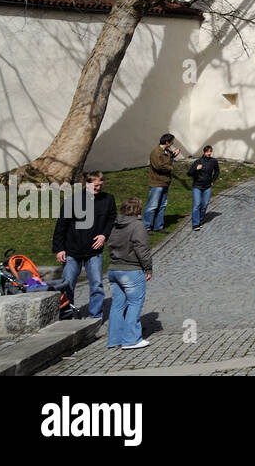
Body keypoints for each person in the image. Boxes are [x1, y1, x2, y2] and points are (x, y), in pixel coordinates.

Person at [53, 171, 116, 319]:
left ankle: (96, 315)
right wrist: (59, 249)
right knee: (68, 285)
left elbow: (112, 219)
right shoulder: (73, 201)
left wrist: (104, 235)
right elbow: (61, 226)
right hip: (72, 250)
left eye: (100, 185)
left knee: (97, 285)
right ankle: (67, 315)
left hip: (94, 250)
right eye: (95, 186)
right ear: (87, 184)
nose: (98, 189)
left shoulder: (108, 199)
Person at [106, 197, 152, 350]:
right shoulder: (137, 225)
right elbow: (142, 249)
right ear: (138, 209)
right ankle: (131, 339)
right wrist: (148, 268)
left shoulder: (115, 225)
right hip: (131, 270)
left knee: (117, 306)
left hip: (114, 269)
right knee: (134, 303)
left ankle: (114, 339)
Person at [143, 133, 178, 231]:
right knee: (152, 206)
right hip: (157, 183)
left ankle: (158, 226)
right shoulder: (156, 153)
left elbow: (167, 161)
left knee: (162, 205)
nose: (172, 144)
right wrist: (172, 168)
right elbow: (159, 166)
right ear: (167, 142)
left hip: (165, 182)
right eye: (171, 142)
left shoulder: (166, 151)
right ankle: (146, 227)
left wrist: (173, 155)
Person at [188, 144, 220, 231]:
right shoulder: (198, 162)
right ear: (204, 152)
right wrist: (196, 169)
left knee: (204, 205)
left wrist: (213, 180)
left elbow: (217, 171)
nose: (209, 153)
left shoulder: (213, 161)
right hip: (197, 186)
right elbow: (189, 173)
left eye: (210, 151)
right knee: (197, 204)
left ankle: (200, 221)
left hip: (207, 186)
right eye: (207, 151)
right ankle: (195, 224)